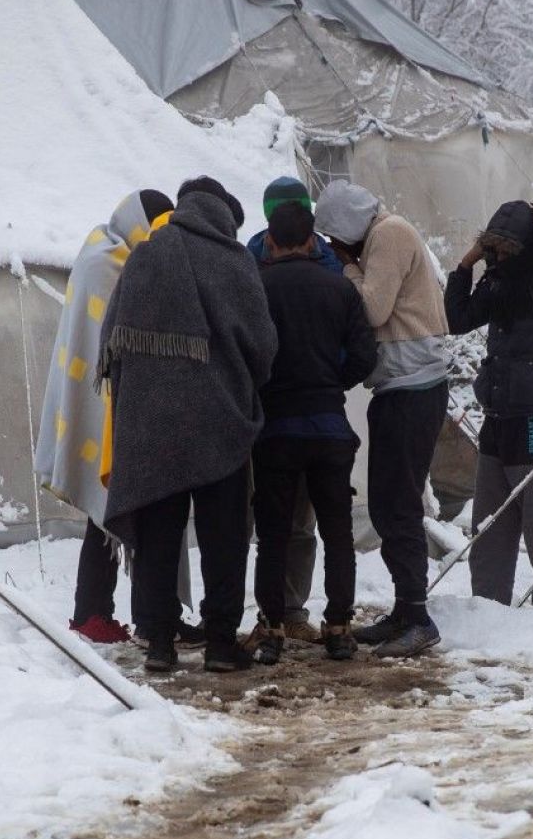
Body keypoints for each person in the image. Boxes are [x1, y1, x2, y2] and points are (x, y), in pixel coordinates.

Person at [100, 176, 276, 674]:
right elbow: (262, 346)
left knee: (159, 538)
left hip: (149, 427)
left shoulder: (145, 256)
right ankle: (221, 644)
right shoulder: (234, 261)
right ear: (222, 214)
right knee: (224, 538)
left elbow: (111, 343)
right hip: (219, 422)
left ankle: (159, 643)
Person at [32, 189, 204, 648]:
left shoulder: (103, 251)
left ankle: (125, 614)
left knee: (123, 514)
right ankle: (101, 613)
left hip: (116, 408)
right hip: (106, 409)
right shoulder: (107, 266)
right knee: (117, 511)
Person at [314, 180, 451, 658]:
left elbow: (372, 309)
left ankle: (417, 616)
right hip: (399, 388)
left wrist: (348, 269)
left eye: (334, 238)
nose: (334, 248)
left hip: (414, 389)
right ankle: (403, 609)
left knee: (399, 506)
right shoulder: (381, 236)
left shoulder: (389, 235)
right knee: (388, 504)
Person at [251, 201, 378, 665]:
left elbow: (247, 353)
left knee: (274, 534)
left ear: (269, 240)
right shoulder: (339, 289)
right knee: (337, 531)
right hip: (329, 424)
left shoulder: (256, 288)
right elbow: (365, 357)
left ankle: (271, 631)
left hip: (276, 428)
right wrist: (330, 381)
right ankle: (340, 628)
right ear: (312, 243)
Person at [444, 200, 533, 607]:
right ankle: (487, 606)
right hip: (498, 413)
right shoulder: (498, 282)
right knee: (489, 522)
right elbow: (456, 319)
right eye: (495, 249)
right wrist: (465, 265)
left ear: (531, 246)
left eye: (509, 250)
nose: (501, 258)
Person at [243, 176, 339, 647]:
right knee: (268, 520)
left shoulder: (327, 261)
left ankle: (291, 611)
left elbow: (345, 330)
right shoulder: (247, 258)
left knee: (300, 522)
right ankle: (269, 614)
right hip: (264, 410)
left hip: (304, 409)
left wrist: (326, 376)